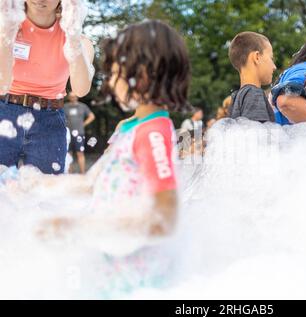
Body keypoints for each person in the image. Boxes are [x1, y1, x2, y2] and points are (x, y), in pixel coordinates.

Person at [33, 21, 191, 296]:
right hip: (108, 265)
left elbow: (165, 218)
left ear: (140, 75)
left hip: (137, 278)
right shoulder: (129, 128)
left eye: (116, 71)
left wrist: (81, 227)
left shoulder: (153, 132)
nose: (110, 80)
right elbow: (93, 183)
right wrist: (32, 185)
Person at [0, 0, 95, 174]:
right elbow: (1, 84)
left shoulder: (79, 39)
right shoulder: (6, 23)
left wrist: (73, 39)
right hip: (4, 112)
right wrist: (6, 34)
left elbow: (81, 89)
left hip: (50, 119)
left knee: (44, 196)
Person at [227, 31, 276, 122]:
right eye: (271, 58)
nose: (274, 67)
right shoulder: (253, 94)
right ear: (257, 57)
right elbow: (257, 134)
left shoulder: (237, 97)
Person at [64, 91, 95, 173]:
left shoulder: (82, 106)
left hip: (79, 133)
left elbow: (92, 116)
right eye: (71, 96)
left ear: (77, 97)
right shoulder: (65, 107)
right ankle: (69, 173)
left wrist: (84, 124)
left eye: (74, 96)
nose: (73, 98)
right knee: (68, 154)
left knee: (80, 153)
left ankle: (82, 173)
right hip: (68, 134)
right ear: (69, 97)